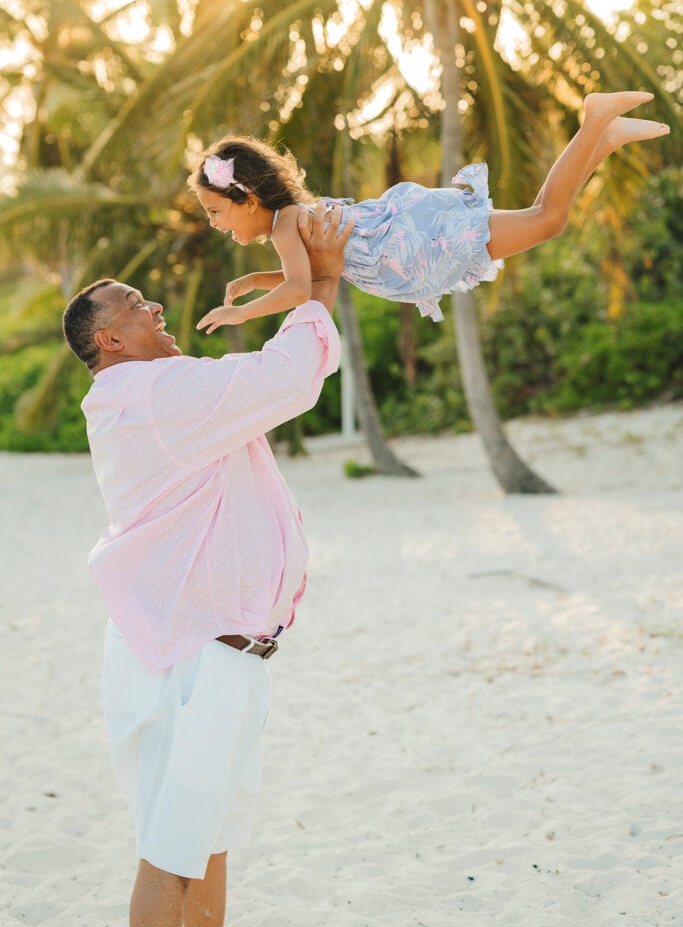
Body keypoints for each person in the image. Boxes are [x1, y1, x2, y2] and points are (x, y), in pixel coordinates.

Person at [62, 203, 354, 927]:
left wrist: (315, 283)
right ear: (111, 341)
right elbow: (287, 378)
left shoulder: (156, 392)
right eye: (136, 305)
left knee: (208, 847)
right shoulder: (152, 397)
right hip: (186, 663)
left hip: (215, 655)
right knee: (170, 853)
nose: (154, 304)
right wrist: (321, 282)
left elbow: (274, 380)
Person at [190, 90, 669, 328]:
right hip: (417, 235)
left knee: (548, 219)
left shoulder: (285, 227)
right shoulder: (294, 219)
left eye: (215, 212)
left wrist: (242, 314)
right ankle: (603, 141)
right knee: (544, 215)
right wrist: (257, 280)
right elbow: (309, 272)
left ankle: (594, 122)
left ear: (247, 199)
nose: (214, 224)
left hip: (421, 245)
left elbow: (300, 287)